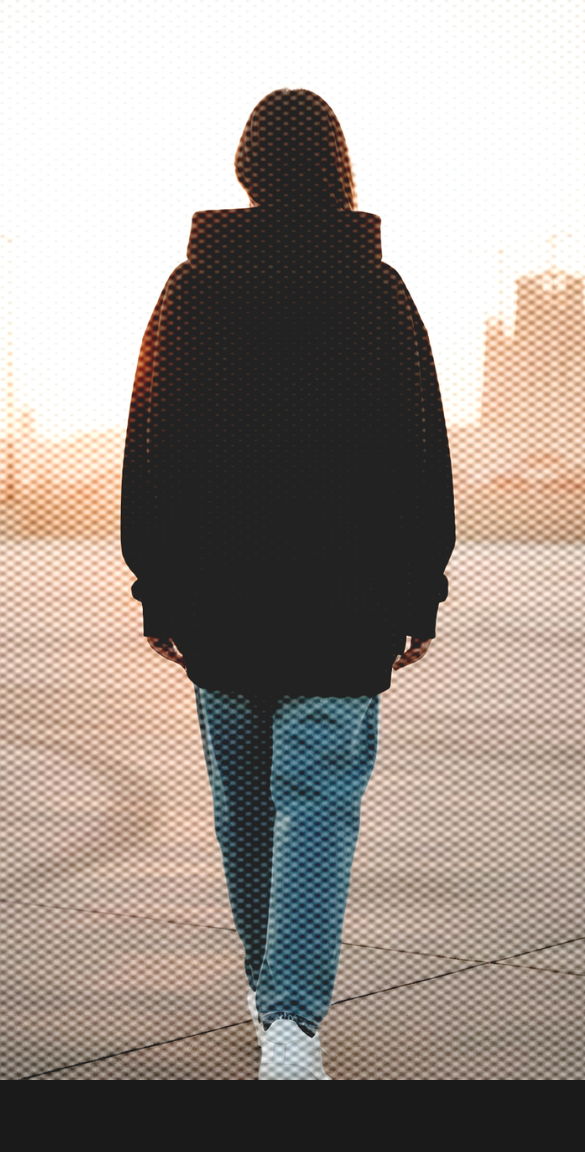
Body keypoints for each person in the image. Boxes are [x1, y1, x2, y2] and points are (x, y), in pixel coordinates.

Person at [121, 89, 456, 1080]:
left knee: (244, 805)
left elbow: (152, 449)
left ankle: (273, 995)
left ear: (244, 167)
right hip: (342, 604)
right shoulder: (379, 293)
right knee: (318, 803)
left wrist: (157, 591)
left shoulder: (190, 291)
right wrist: (418, 595)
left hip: (222, 602)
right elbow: (418, 454)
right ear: (338, 165)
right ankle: (290, 1024)